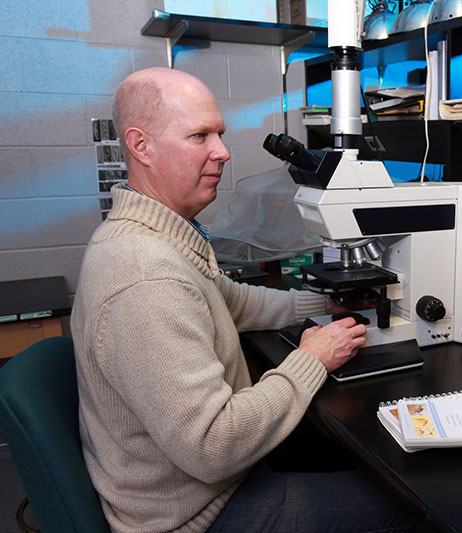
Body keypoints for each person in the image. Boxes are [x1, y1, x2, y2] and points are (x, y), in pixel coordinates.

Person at [71, 67, 411, 532]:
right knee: (407, 506)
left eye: (220, 134)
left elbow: (227, 300)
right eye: (199, 136)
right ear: (141, 146)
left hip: (205, 484)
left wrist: (322, 305)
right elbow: (214, 446)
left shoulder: (153, 237)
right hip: (201, 514)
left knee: (346, 452)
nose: (223, 152)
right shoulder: (145, 277)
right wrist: (312, 359)